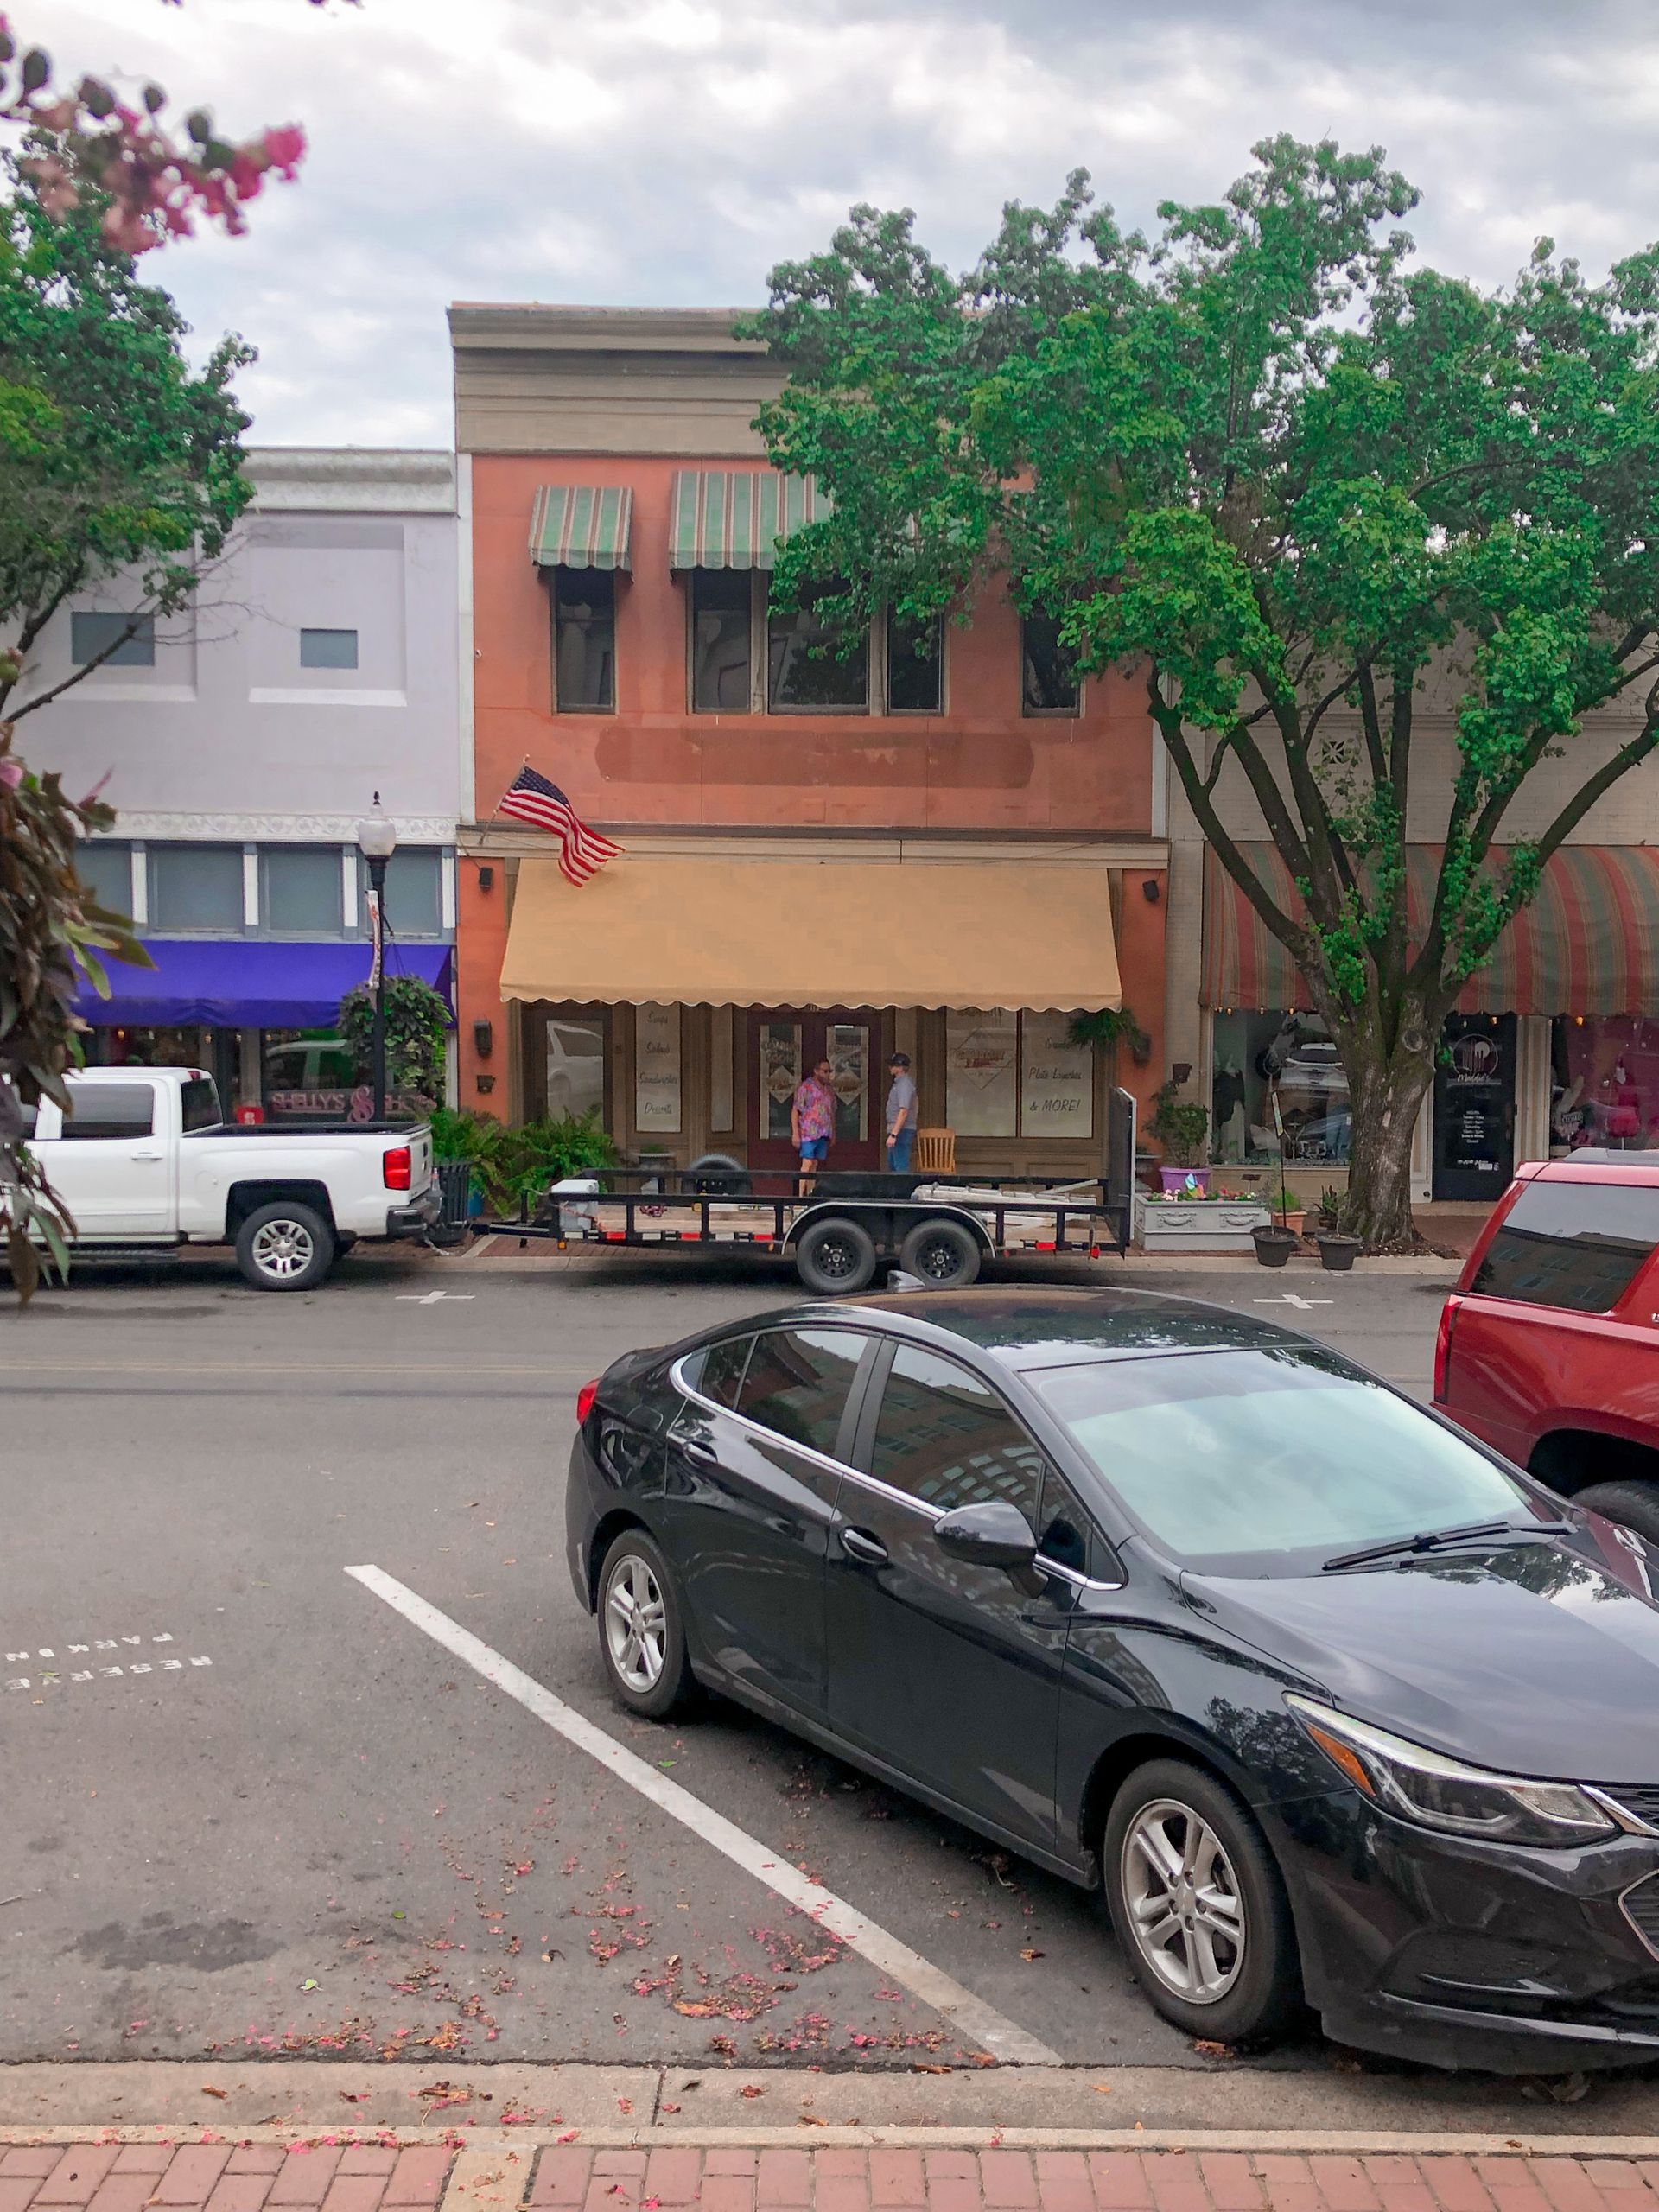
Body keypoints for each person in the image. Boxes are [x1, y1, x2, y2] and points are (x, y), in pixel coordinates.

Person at [791, 1057, 836, 1194]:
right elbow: (796, 1110)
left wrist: (833, 1132)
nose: (828, 1074)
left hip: (823, 1132)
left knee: (815, 1164)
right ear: (816, 1071)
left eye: (829, 1071)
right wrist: (795, 1133)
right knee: (807, 1162)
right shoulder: (806, 1087)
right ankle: (798, 1197)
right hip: (808, 1131)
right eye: (825, 1071)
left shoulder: (829, 1090)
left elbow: (832, 1111)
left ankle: (810, 1194)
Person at [885, 1051, 918, 1173]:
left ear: (900, 1067)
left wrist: (894, 1134)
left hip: (901, 1131)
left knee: (900, 1167)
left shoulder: (904, 1084)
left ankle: (903, 1191)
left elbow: (903, 1110)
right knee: (893, 1166)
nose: (890, 1067)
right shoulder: (899, 1084)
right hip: (898, 1130)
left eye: (893, 1065)